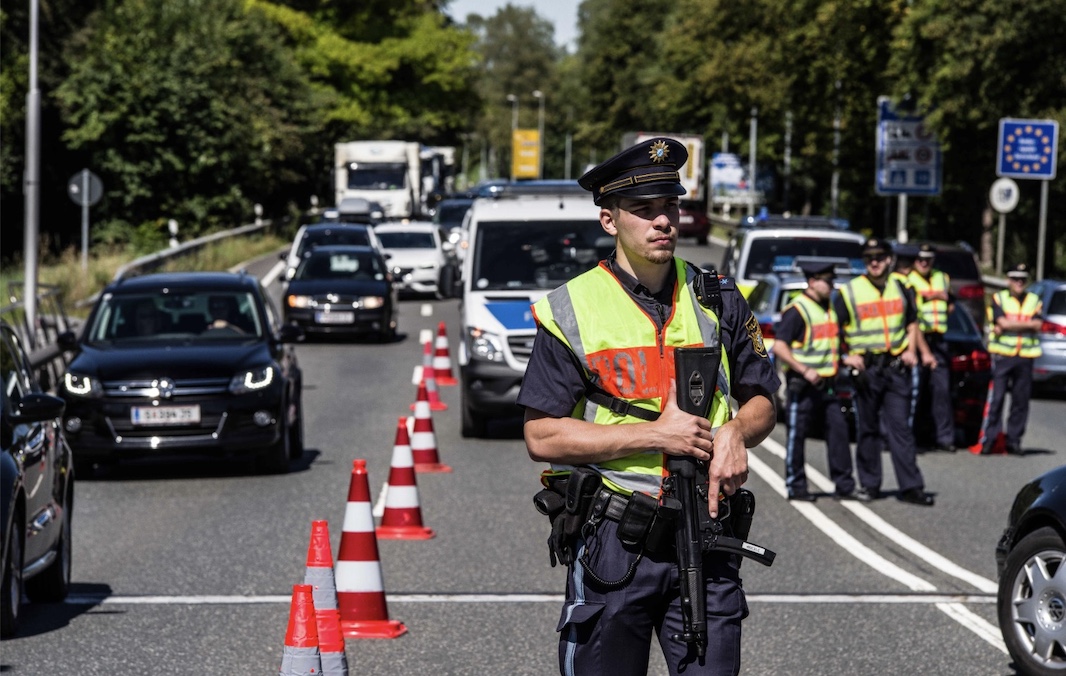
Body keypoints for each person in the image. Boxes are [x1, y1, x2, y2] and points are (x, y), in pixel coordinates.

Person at [517, 138, 779, 675]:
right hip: (618, 541)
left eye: (670, 207)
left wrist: (735, 433)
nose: (662, 221)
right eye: (643, 211)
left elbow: (762, 401)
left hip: (708, 533)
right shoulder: (573, 307)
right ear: (610, 221)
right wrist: (656, 435)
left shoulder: (718, 296)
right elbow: (542, 435)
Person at [834, 237, 935, 506]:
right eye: (869, 258)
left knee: (900, 428)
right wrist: (846, 356)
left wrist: (912, 350)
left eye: (879, 257)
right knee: (867, 429)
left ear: (889, 259)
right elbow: (834, 329)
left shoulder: (902, 286)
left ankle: (911, 487)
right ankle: (870, 485)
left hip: (895, 368)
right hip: (867, 371)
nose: (874, 262)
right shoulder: (850, 291)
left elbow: (912, 322)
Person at [772, 260, 858, 501]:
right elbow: (779, 347)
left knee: (839, 433)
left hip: (829, 384)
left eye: (832, 281)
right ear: (812, 282)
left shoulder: (829, 307)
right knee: (797, 436)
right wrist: (804, 369)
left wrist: (845, 357)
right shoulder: (797, 311)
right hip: (804, 384)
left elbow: (828, 342)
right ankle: (796, 486)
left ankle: (845, 486)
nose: (831, 285)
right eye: (826, 281)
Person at [973, 263, 1043, 455]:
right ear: (1008, 281)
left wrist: (1010, 325)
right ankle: (991, 439)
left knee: (1021, 401)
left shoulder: (1034, 300)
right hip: (1003, 356)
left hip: (1025, 356)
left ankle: (1014, 441)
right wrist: (1024, 324)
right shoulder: (999, 298)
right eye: (1015, 279)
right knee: (996, 399)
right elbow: (1001, 322)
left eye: (1023, 279)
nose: (1019, 283)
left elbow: (1037, 325)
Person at [909, 244, 956, 451]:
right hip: (917, 340)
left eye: (928, 259)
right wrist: (934, 297)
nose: (924, 263)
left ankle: (944, 438)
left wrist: (936, 298)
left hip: (939, 339)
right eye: (920, 259)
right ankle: (910, 437)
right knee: (914, 392)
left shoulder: (942, 278)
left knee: (941, 391)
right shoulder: (909, 280)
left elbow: (951, 304)